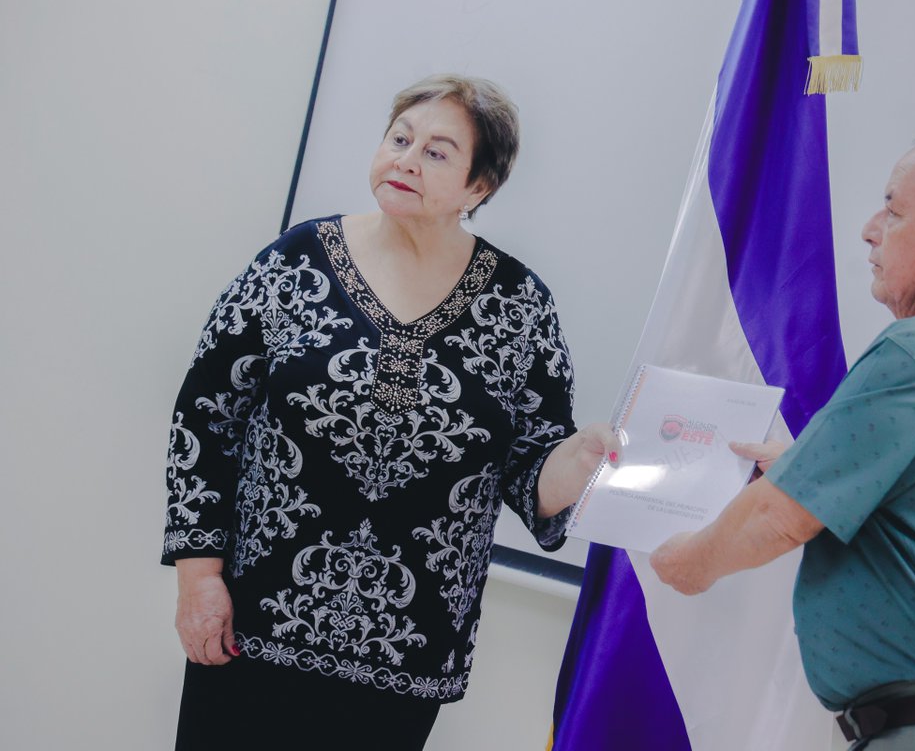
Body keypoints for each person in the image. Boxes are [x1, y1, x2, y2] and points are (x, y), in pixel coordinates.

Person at [162, 74, 615, 750]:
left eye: (437, 151)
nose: (406, 158)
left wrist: (576, 461)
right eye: (400, 138)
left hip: (406, 651)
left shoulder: (521, 307)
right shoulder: (294, 264)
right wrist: (199, 580)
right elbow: (205, 417)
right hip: (254, 627)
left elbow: (528, 470)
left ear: (479, 187)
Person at [650, 127, 915, 750]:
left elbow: (776, 518)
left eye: (893, 208)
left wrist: (686, 562)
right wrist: (808, 467)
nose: (869, 228)